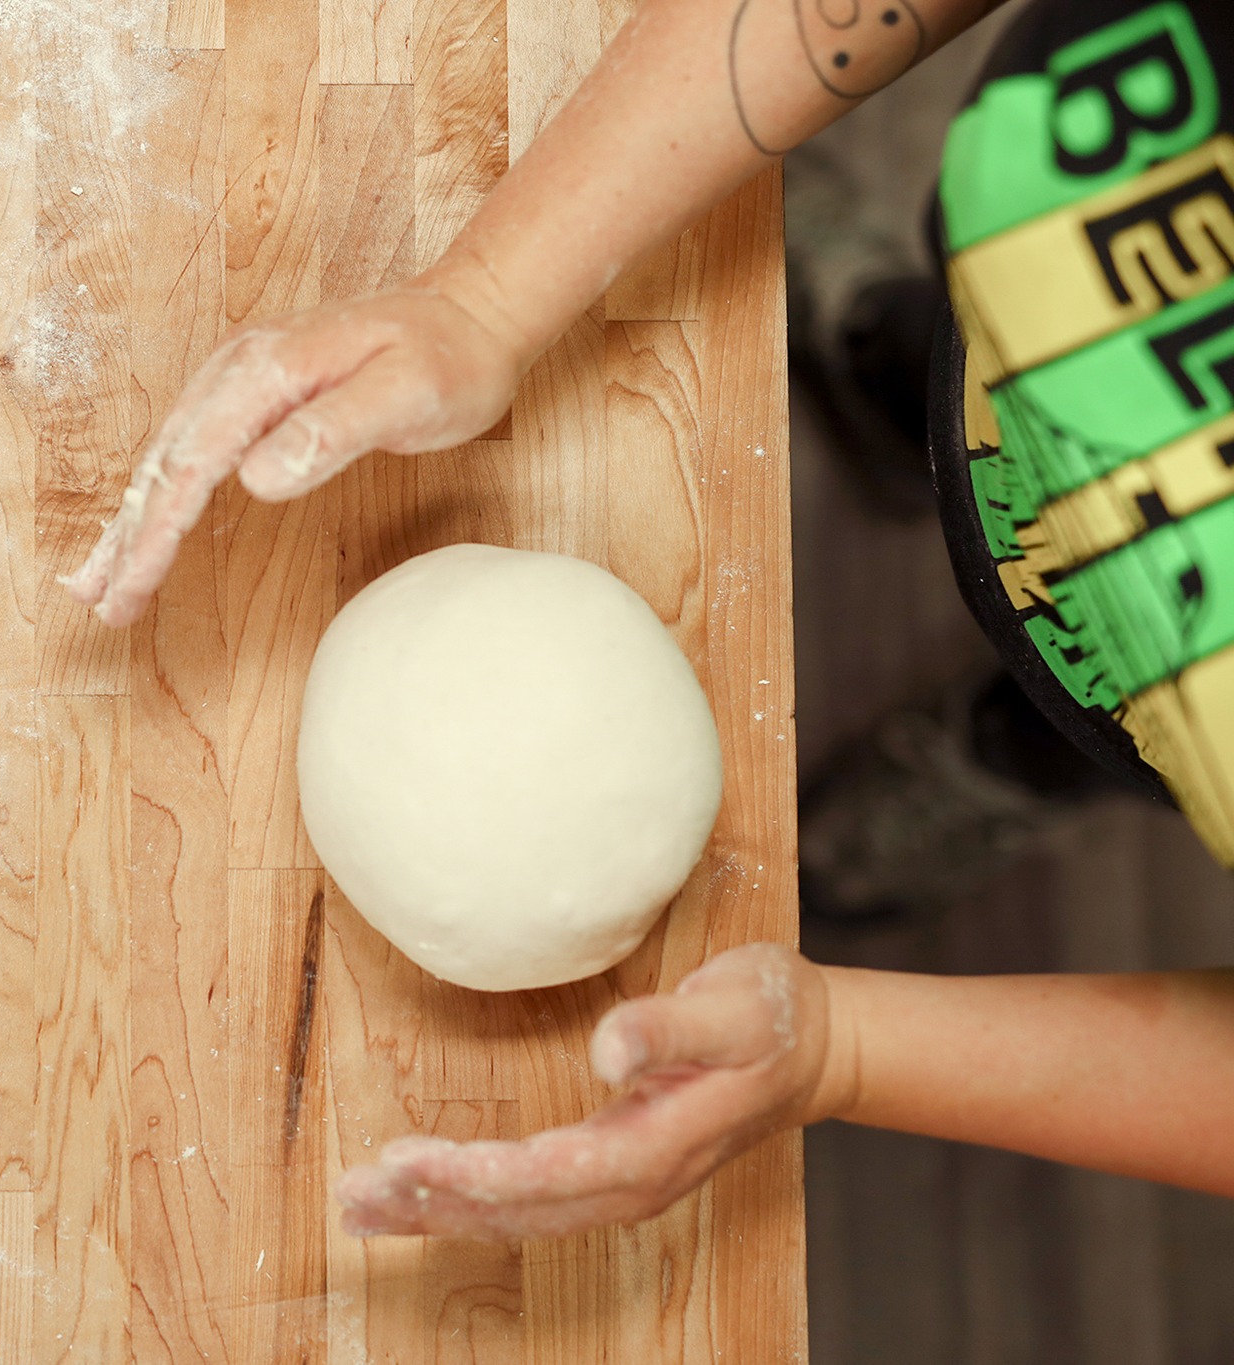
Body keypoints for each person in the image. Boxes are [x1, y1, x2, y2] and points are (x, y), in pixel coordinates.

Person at [64, 0, 1234, 1239]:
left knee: (1094, 724)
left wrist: (839, 1049)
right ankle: (889, 373)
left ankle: (1013, 756)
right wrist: (486, 294)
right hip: (1002, 350)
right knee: (951, 367)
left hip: (1163, 719)